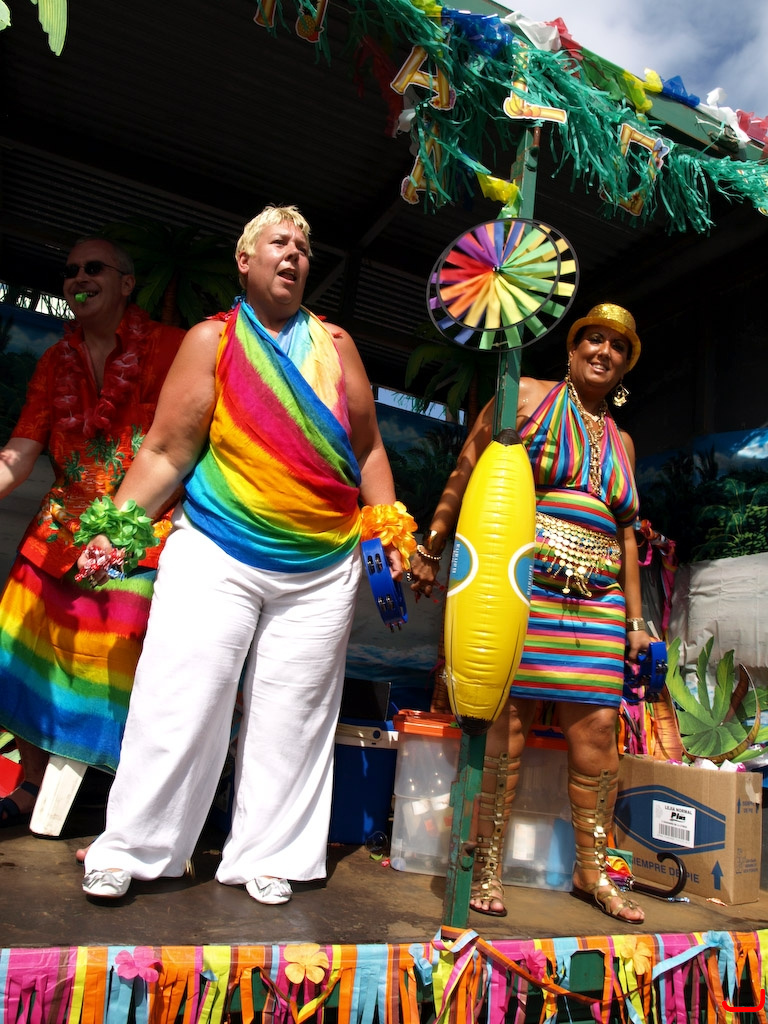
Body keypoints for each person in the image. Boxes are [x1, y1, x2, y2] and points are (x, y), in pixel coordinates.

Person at [76, 204, 413, 905]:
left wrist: (388, 528)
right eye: (279, 242)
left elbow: (370, 449)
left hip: (322, 567)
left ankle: (271, 855)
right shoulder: (212, 339)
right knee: (180, 702)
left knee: (293, 720)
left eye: (303, 247)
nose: (293, 254)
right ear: (245, 260)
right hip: (217, 550)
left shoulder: (338, 345)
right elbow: (167, 451)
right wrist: (118, 527)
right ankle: (134, 850)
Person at [410, 302, 649, 923]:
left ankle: (593, 869)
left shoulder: (622, 441)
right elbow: (468, 465)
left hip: (599, 603)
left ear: (625, 366)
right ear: (571, 349)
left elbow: (628, 533)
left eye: (618, 347)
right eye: (593, 339)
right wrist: (433, 544)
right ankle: (484, 862)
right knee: (504, 729)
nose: (604, 352)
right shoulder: (528, 398)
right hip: (520, 588)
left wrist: (637, 622)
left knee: (599, 732)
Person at [0, 239, 185, 828]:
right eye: (70, 271)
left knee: (112, 669)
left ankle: (126, 810)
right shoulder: (54, 361)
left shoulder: (173, 349)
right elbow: (19, 454)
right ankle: (31, 785)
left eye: (93, 268)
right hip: (56, 532)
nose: (78, 278)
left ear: (127, 283)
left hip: (140, 538)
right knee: (13, 653)